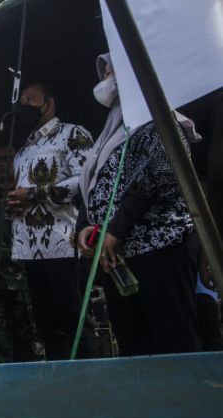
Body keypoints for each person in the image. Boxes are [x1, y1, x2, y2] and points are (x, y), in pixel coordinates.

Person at [77, 53, 202, 356]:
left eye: (112, 63)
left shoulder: (156, 111)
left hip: (160, 249)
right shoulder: (112, 124)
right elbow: (93, 182)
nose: (105, 70)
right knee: (135, 347)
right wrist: (84, 228)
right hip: (118, 258)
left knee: (173, 342)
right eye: (104, 66)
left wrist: (116, 230)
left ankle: (185, 403)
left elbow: (161, 170)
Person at [6, 81, 97, 360]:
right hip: (29, 250)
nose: (25, 106)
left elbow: (86, 180)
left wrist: (33, 194)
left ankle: (93, 384)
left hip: (64, 243)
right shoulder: (21, 149)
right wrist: (15, 205)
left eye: (32, 99)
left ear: (49, 104)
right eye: (22, 101)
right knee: (46, 327)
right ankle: (61, 388)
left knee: (74, 321)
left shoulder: (72, 134)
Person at [0, 145, 43, 363]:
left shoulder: (30, 194)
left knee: (33, 348)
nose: (2, 164)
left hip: (26, 285)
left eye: (8, 158)